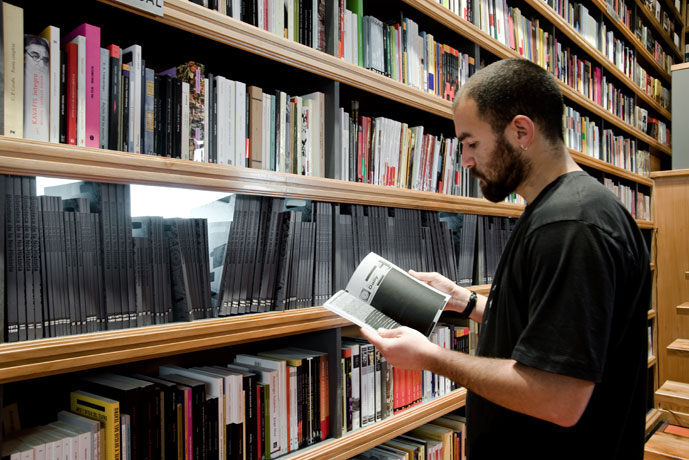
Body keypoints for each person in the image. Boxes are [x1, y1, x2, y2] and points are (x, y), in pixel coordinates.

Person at [361, 58, 650, 459]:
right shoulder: (563, 210)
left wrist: (432, 358)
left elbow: (558, 397)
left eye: (471, 142)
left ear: (521, 131)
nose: (465, 160)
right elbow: (552, 328)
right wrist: (468, 303)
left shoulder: (570, 225)